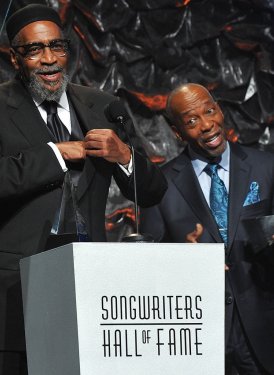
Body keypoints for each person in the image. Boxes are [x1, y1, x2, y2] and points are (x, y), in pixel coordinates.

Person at [0, 4, 167, 374]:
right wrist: (55, 154)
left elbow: (152, 192)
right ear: (15, 57)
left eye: (57, 47)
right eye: (34, 50)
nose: (49, 59)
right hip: (15, 294)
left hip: (91, 292)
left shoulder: (103, 106)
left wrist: (125, 155)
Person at [140, 83, 274, 374]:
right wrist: (180, 259)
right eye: (191, 120)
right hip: (199, 337)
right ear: (177, 132)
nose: (206, 125)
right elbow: (145, 268)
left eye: (209, 111)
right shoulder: (160, 185)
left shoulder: (267, 168)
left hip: (265, 332)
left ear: (220, 110)